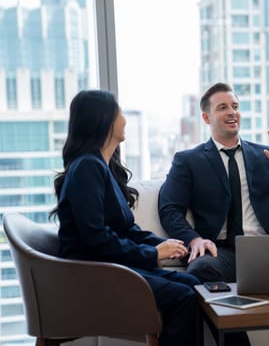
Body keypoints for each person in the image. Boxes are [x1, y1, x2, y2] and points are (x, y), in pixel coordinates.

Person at [158, 82, 269, 346]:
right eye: (222, 107)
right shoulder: (188, 160)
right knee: (199, 270)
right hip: (223, 251)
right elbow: (169, 209)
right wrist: (194, 239)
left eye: (235, 106)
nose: (232, 112)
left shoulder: (265, 155)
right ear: (206, 117)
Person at [50, 90, 200, 346]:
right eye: (119, 113)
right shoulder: (87, 167)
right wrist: (153, 255)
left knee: (193, 283)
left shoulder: (101, 167)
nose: (124, 119)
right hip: (94, 277)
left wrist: (166, 246)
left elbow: (127, 231)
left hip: (110, 269)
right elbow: (96, 238)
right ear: (104, 119)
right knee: (183, 297)